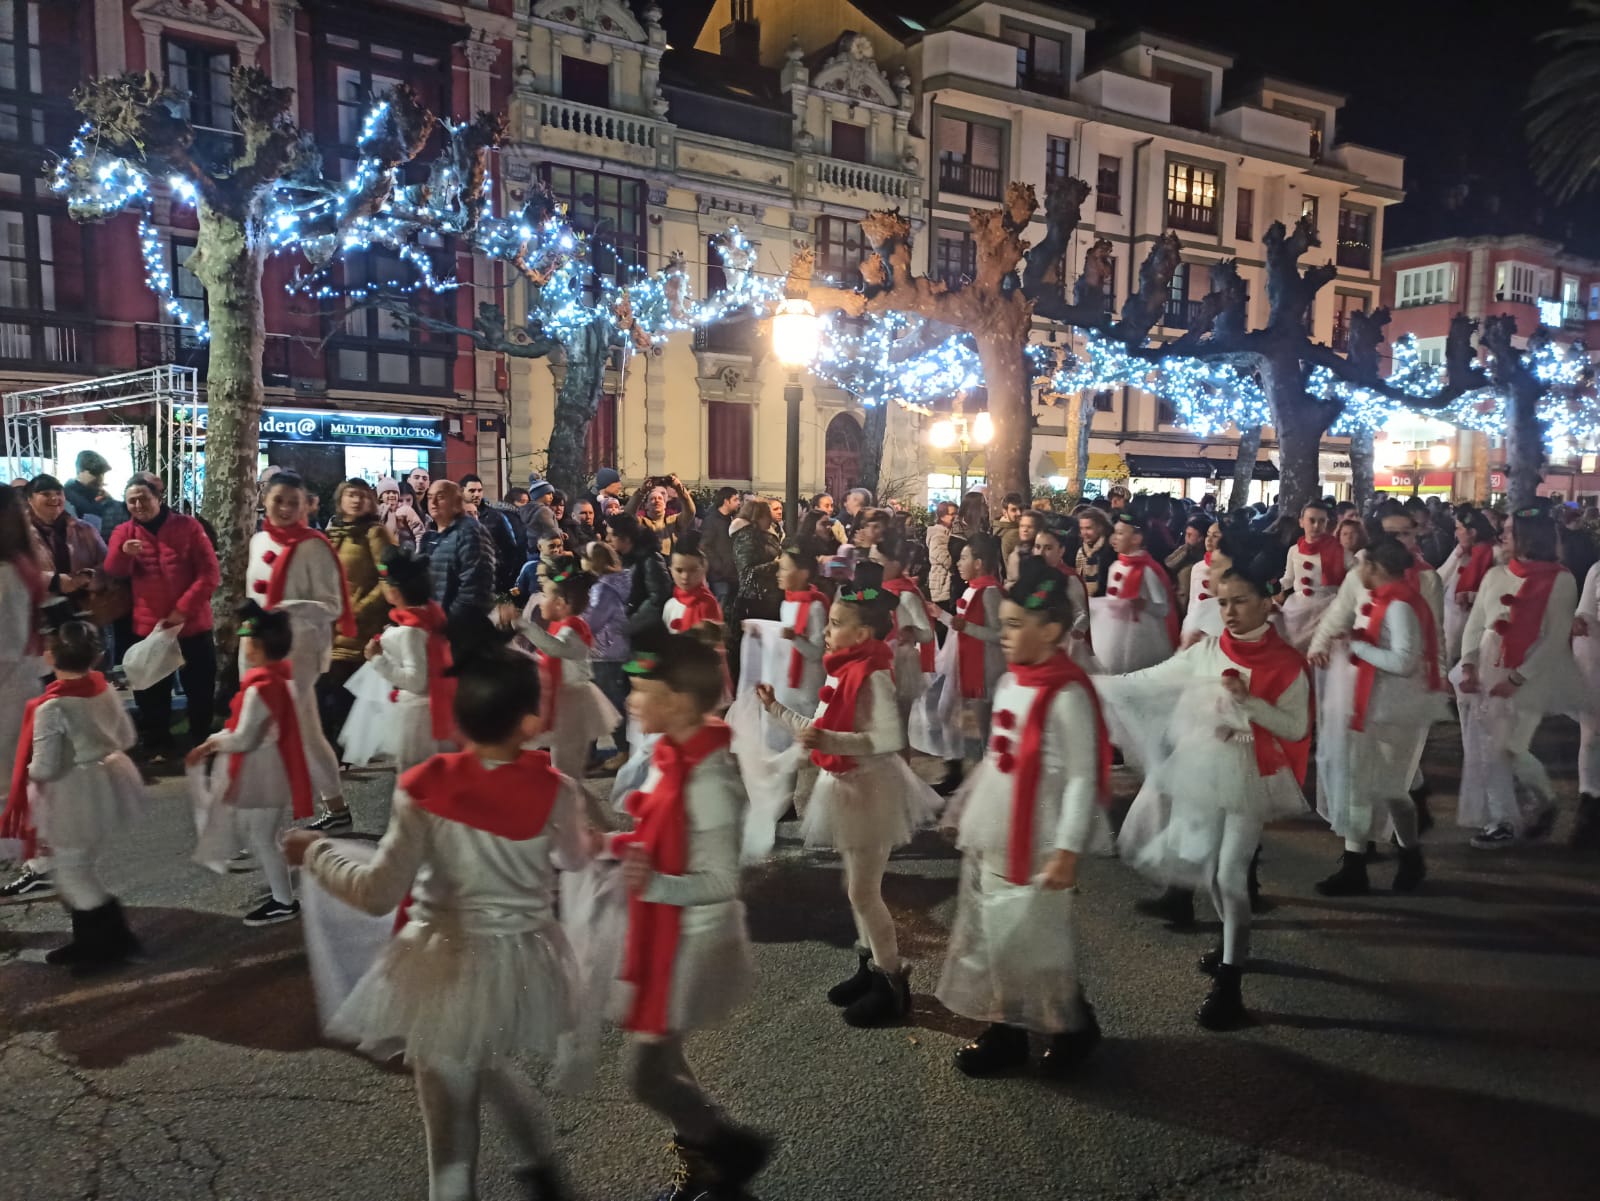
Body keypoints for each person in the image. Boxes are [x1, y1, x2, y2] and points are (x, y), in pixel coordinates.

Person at [285, 646, 589, 1201]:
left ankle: (501, 1180)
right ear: (530, 722)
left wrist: (316, 852)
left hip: (442, 963)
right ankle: (542, 1171)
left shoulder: (425, 787)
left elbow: (377, 893)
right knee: (486, 1058)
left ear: (457, 716)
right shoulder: (557, 791)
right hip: (519, 961)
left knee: (449, 1136)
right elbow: (575, 860)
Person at [1098, 568, 1310, 1029]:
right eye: (1223, 602)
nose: (1229, 611)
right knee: (1212, 870)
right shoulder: (1209, 650)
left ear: (1267, 600)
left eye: (1240, 600)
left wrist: (1247, 706)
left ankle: (1231, 981)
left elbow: (1296, 728)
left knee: (1231, 872)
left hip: (1249, 770)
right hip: (1203, 766)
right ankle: (1233, 944)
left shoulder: (1288, 663)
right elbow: (1151, 679)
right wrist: (1098, 683)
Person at [605, 633, 769, 1199]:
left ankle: (730, 1151)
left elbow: (724, 881)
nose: (630, 700)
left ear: (677, 702)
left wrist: (654, 882)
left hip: (692, 939)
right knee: (667, 1059)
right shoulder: (672, 752)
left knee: (646, 1075)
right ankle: (713, 1165)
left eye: (640, 690)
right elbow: (659, 833)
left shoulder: (710, 778)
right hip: (665, 926)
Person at [935, 560, 1110, 1077]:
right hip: (1000, 819)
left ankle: (1072, 1026)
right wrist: (970, 804)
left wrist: (1068, 848)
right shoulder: (1014, 682)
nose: (1004, 637)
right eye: (1005, 625)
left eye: (1014, 627)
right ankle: (1005, 1029)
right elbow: (1000, 753)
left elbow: (1081, 776)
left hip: (1042, 829)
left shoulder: (1069, 693)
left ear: (1052, 631)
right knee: (994, 927)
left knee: (1033, 935)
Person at [757, 568, 936, 1027]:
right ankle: (870, 967)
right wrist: (775, 709)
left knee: (862, 890)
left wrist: (832, 741)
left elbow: (884, 737)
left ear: (864, 632)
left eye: (835, 623)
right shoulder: (841, 673)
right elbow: (815, 730)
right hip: (846, 787)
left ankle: (893, 982)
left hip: (872, 789)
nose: (826, 630)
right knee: (856, 888)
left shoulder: (873, 675)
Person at [1314, 537, 1444, 897]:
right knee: (1358, 780)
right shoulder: (1383, 598)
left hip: (1390, 708)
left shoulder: (1400, 604)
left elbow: (1404, 661)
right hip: (1367, 701)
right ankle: (1355, 864)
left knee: (1391, 788)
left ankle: (1409, 853)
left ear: (1377, 568)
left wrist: (1357, 646)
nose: (1359, 571)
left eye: (1364, 565)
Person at [8, 622, 143, 970]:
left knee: (72, 872)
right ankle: (94, 941)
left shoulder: (52, 707)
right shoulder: (102, 689)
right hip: (107, 781)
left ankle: (106, 945)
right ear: (97, 656)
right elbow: (126, 737)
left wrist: (22, 773)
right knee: (80, 866)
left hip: (73, 792)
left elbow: (46, 767)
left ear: (50, 656)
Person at [1454, 502, 1583, 850]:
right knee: (1488, 747)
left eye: (1509, 531)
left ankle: (1538, 801)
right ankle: (1503, 818)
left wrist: (1518, 678)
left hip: (1531, 674)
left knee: (1508, 746)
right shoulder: (1496, 574)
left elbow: (1555, 637)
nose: (1502, 535)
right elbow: (1477, 622)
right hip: (1487, 666)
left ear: (1528, 537)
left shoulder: (1561, 580)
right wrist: (1468, 663)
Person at [244, 471, 356, 834]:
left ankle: (328, 807)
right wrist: (250, 630)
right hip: (261, 649)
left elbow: (333, 605)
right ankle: (264, 818)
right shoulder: (258, 542)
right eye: (279, 500)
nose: (286, 508)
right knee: (260, 731)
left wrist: (285, 609)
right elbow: (252, 597)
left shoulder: (314, 546)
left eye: (294, 501)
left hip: (300, 652)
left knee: (300, 731)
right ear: (264, 499)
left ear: (306, 504)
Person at [188, 603, 313, 927]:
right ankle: (282, 895)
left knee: (263, 838)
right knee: (263, 835)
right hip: (273, 763)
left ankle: (284, 901)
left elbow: (245, 739)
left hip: (262, 767)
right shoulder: (280, 679)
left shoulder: (261, 689)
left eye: (246, 638)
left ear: (255, 647)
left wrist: (212, 743)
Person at [103, 473, 220, 760]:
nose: (138, 505)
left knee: (200, 686)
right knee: (152, 688)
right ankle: (159, 741)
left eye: (144, 498)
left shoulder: (189, 527)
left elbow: (209, 573)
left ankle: (201, 738)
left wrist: (183, 609)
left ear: (159, 498)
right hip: (149, 627)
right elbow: (114, 571)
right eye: (132, 500)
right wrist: (124, 554)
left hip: (192, 624)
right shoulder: (124, 532)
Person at [503, 557, 620, 802]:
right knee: (565, 776)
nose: (540, 599)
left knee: (566, 777)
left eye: (545, 594)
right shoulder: (562, 626)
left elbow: (556, 649)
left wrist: (522, 625)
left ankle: (592, 829)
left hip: (573, 707)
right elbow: (545, 659)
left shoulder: (573, 628)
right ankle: (587, 827)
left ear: (561, 603)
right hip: (565, 704)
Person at [339, 548, 456, 775]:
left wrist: (377, 659)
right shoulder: (431, 616)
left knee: (415, 778)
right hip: (435, 709)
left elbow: (416, 680)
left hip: (417, 717)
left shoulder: (410, 631)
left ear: (394, 592)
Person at [928, 534, 1005, 796]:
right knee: (945, 709)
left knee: (987, 725)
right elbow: (963, 628)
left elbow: (998, 634)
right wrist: (944, 617)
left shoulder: (991, 592)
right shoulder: (973, 588)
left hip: (984, 665)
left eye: (964, 558)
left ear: (980, 563)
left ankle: (988, 776)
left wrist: (965, 626)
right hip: (961, 660)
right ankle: (956, 767)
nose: (958, 563)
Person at [322, 479, 395, 742]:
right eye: (351, 495)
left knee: (348, 691)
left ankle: (347, 748)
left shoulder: (375, 533)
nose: (356, 501)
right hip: (330, 627)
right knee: (330, 690)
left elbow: (388, 577)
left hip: (359, 626)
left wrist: (359, 609)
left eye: (363, 496)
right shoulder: (332, 533)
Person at [1090, 514, 1177, 675]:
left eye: (1121, 533)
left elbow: (1164, 608)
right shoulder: (1115, 566)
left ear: (1136, 538)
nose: (1114, 538)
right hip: (1114, 633)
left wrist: (1144, 604)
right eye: (1114, 532)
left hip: (1142, 637)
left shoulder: (1148, 570)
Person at [26, 473, 105, 629]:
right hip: (42, 621)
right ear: (30, 500)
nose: (54, 499)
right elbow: (15, 573)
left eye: (58, 493)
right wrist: (54, 582)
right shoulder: (19, 534)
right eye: (46, 494)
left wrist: (88, 579)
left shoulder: (84, 529)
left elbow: (106, 564)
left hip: (86, 615)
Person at [1276, 499, 1350, 651]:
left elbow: (1358, 574)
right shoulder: (1294, 550)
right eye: (1312, 520)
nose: (1316, 526)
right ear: (1301, 522)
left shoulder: (1339, 551)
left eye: (1321, 521)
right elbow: (1288, 579)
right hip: (1298, 609)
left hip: (1327, 608)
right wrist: (1273, 588)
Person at [879, 537, 936, 730]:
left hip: (902, 664)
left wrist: (912, 634)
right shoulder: (875, 592)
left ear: (897, 564)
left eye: (882, 563)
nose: (879, 568)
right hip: (880, 661)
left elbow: (927, 633)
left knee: (900, 721)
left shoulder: (907, 595)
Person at [585, 541, 632, 771]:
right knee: (597, 702)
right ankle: (587, 753)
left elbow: (593, 621)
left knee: (612, 703)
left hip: (606, 652)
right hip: (613, 649)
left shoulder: (603, 588)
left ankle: (624, 750)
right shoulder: (617, 583)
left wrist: (573, 617)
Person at [425, 481, 495, 624]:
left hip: (460, 629)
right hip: (436, 624)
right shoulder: (432, 536)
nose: (433, 502)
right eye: (430, 496)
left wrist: (451, 621)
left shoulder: (469, 531)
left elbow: (474, 586)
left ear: (456, 502)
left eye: (441, 497)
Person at [1438, 505, 1498, 668]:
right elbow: (1440, 578)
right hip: (1451, 618)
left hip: (1475, 621)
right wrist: (1457, 555)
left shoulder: (1494, 553)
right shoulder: (1462, 551)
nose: (1456, 533)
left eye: (1458, 528)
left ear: (1472, 532)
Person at [606, 513, 672, 637]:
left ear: (625, 538)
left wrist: (627, 626)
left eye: (612, 534)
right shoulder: (622, 559)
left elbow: (657, 600)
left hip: (646, 635)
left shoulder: (650, 559)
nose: (607, 539)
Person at [460, 475, 521, 595]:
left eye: (480, 490)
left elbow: (510, 549)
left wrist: (501, 578)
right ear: (462, 491)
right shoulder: (454, 516)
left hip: (492, 582)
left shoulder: (495, 517)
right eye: (472, 490)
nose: (477, 494)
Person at [730, 498, 782, 625]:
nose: (770, 520)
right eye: (767, 516)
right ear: (758, 517)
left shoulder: (764, 534)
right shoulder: (746, 537)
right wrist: (777, 564)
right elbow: (746, 572)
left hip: (769, 597)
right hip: (755, 599)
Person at [1180, 522, 1231, 647]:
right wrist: (1188, 626)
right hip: (1196, 628)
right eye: (1208, 535)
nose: (1209, 540)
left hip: (1219, 630)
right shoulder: (1197, 567)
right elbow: (1192, 601)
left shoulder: (1232, 569)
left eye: (1215, 536)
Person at [626, 473, 697, 557]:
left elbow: (690, 512)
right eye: (652, 499)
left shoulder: (673, 522)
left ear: (665, 504)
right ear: (646, 505)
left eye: (660, 498)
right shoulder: (641, 522)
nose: (657, 500)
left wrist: (679, 488)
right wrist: (642, 491)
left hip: (668, 565)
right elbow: (628, 514)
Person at [699, 488, 741, 615]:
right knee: (719, 611)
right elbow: (704, 546)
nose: (739, 503)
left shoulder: (732, 521)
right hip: (719, 577)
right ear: (726, 501)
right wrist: (720, 566)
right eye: (735, 499)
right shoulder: (711, 521)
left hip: (732, 576)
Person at [64, 450, 122, 535]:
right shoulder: (67, 497)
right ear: (80, 471)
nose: (100, 478)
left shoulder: (100, 495)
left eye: (102, 473)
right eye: (95, 473)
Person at [1075, 508, 1115, 598]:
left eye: (1088, 528)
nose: (1084, 533)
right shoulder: (1081, 550)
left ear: (1100, 527)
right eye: (1081, 528)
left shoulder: (1111, 550)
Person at [377, 477, 425, 553]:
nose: (392, 495)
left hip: (406, 551)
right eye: (388, 492)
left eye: (395, 492)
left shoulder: (405, 510)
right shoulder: (378, 511)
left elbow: (419, 530)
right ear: (380, 497)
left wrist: (419, 549)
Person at [926, 501, 958, 611]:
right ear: (942, 516)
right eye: (952, 514)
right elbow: (946, 560)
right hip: (942, 584)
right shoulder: (939, 536)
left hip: (945, 584)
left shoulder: (947, 533)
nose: (955, 517)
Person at [1003, 509, 1043, 583]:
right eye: (1022, 526)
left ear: (1038, 529)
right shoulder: (1014, 555)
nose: (1024, 530)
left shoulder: (1043, 554)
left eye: (1029, 527)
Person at [995, 493, 1026, 567]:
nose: (1019, 513)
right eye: (1014, 510)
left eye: (1021, 509)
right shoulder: (1015, 533)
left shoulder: (997, 528)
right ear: (1005, 513)